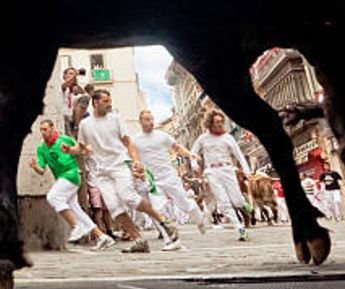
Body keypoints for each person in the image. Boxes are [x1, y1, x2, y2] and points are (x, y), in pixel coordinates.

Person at [70, 89, 181, 253]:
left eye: (110, 100)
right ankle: (139, 240)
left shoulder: (116, 119)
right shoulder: (85, 125)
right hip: (101, 173)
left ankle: (163, 221)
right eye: (105, 101)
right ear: (95, 103)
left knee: (129, 197)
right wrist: (69, 150)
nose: (109, 104)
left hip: (119, 165)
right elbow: (80, 147)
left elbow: (128, 142)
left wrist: (136, 161)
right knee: (115, 209)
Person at [29, 119, 114, 250]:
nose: (43, 132)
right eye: (41, 130)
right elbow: (41, 170)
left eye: (45, 129)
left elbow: (80, 149)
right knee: (76, 209)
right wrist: (35, 167)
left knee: (52, 197)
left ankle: (76, 226)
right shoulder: (42, 149)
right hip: (62, 179)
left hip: (71, 174)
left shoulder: (64, 139)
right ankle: (102, 236)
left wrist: (76, 149)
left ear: (52, 129)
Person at [131, 110, 208, 235]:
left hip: (169, 176)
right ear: (140, 121)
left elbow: (177, 147)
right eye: (147, 119)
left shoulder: (162, 136)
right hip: (152, 180)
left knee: (185, 204)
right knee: (157, 209)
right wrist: (136, 170)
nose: (151, 122)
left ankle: (200, 219)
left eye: (151, 119)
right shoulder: (135, 140)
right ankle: (169, 237)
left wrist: (191, 155)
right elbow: (133, 158)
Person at [191, 110, 251, 241]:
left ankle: (243, 204)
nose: (220, 124)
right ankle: (240, 229)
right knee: (223, 203)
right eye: (217, 122)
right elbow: (193, 153)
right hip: (212, 172)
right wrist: (194, 163)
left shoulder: (228, 138)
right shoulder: (203, 138)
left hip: (227, 169)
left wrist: (247, 170)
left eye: (221, 122)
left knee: (237, 200)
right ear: (210, 122)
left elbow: (239, 155)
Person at [56, 68, 83, 136]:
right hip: (64, 116)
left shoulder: (70, 88)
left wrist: (76, 81)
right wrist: (75, 75)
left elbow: (82, 92)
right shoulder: (62, 84)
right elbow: (66, 83)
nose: (72, 75)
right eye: (70, 73)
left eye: (73, 74)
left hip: (71, 116)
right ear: (64, 75)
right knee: (69, 139)